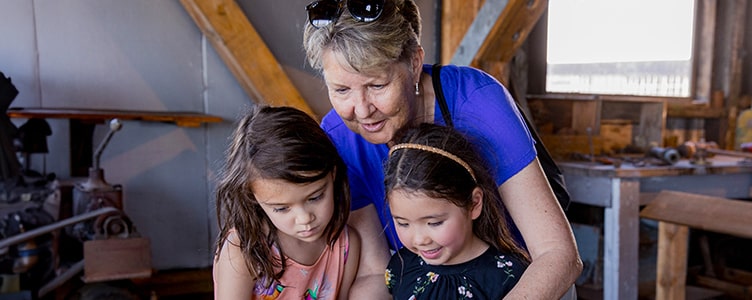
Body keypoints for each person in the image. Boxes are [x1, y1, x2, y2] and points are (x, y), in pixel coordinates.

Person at [303, 0, 582, 298]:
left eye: (377, 85)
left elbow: (558, 254)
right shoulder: (339, 137)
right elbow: (377, 271)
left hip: (522, 282)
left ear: (413, 63)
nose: (361, 110)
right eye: (342, 90)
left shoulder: (477, 102)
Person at [213, 105, 361, 300]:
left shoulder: (345, 246)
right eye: (282, 208)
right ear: (253, 197)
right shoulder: (243, 251)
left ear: (332, 174)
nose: (305, 218)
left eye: (315, 197)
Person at [384, 123, 530, 299]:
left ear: (474, 204)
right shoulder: (401, 267)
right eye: (403, 223)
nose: (419, 239)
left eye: (434, 223)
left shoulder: (510, 277)